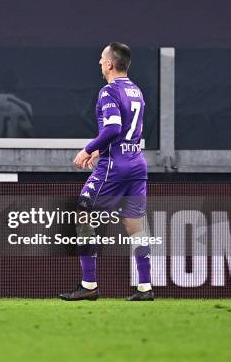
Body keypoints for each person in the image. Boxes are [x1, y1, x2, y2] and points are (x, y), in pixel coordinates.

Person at [60, 42, 152, 301]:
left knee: (83, 215)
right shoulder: (137, 91)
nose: (100, 63)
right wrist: (100, 151)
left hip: (115, 167)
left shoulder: (108, 92)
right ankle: (145, 287)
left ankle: (89, 285)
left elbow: (112, 129)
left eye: (102, 59)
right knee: (135, 225)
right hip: (136, 163)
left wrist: (87, 149)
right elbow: (128, 133)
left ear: (111, 63)